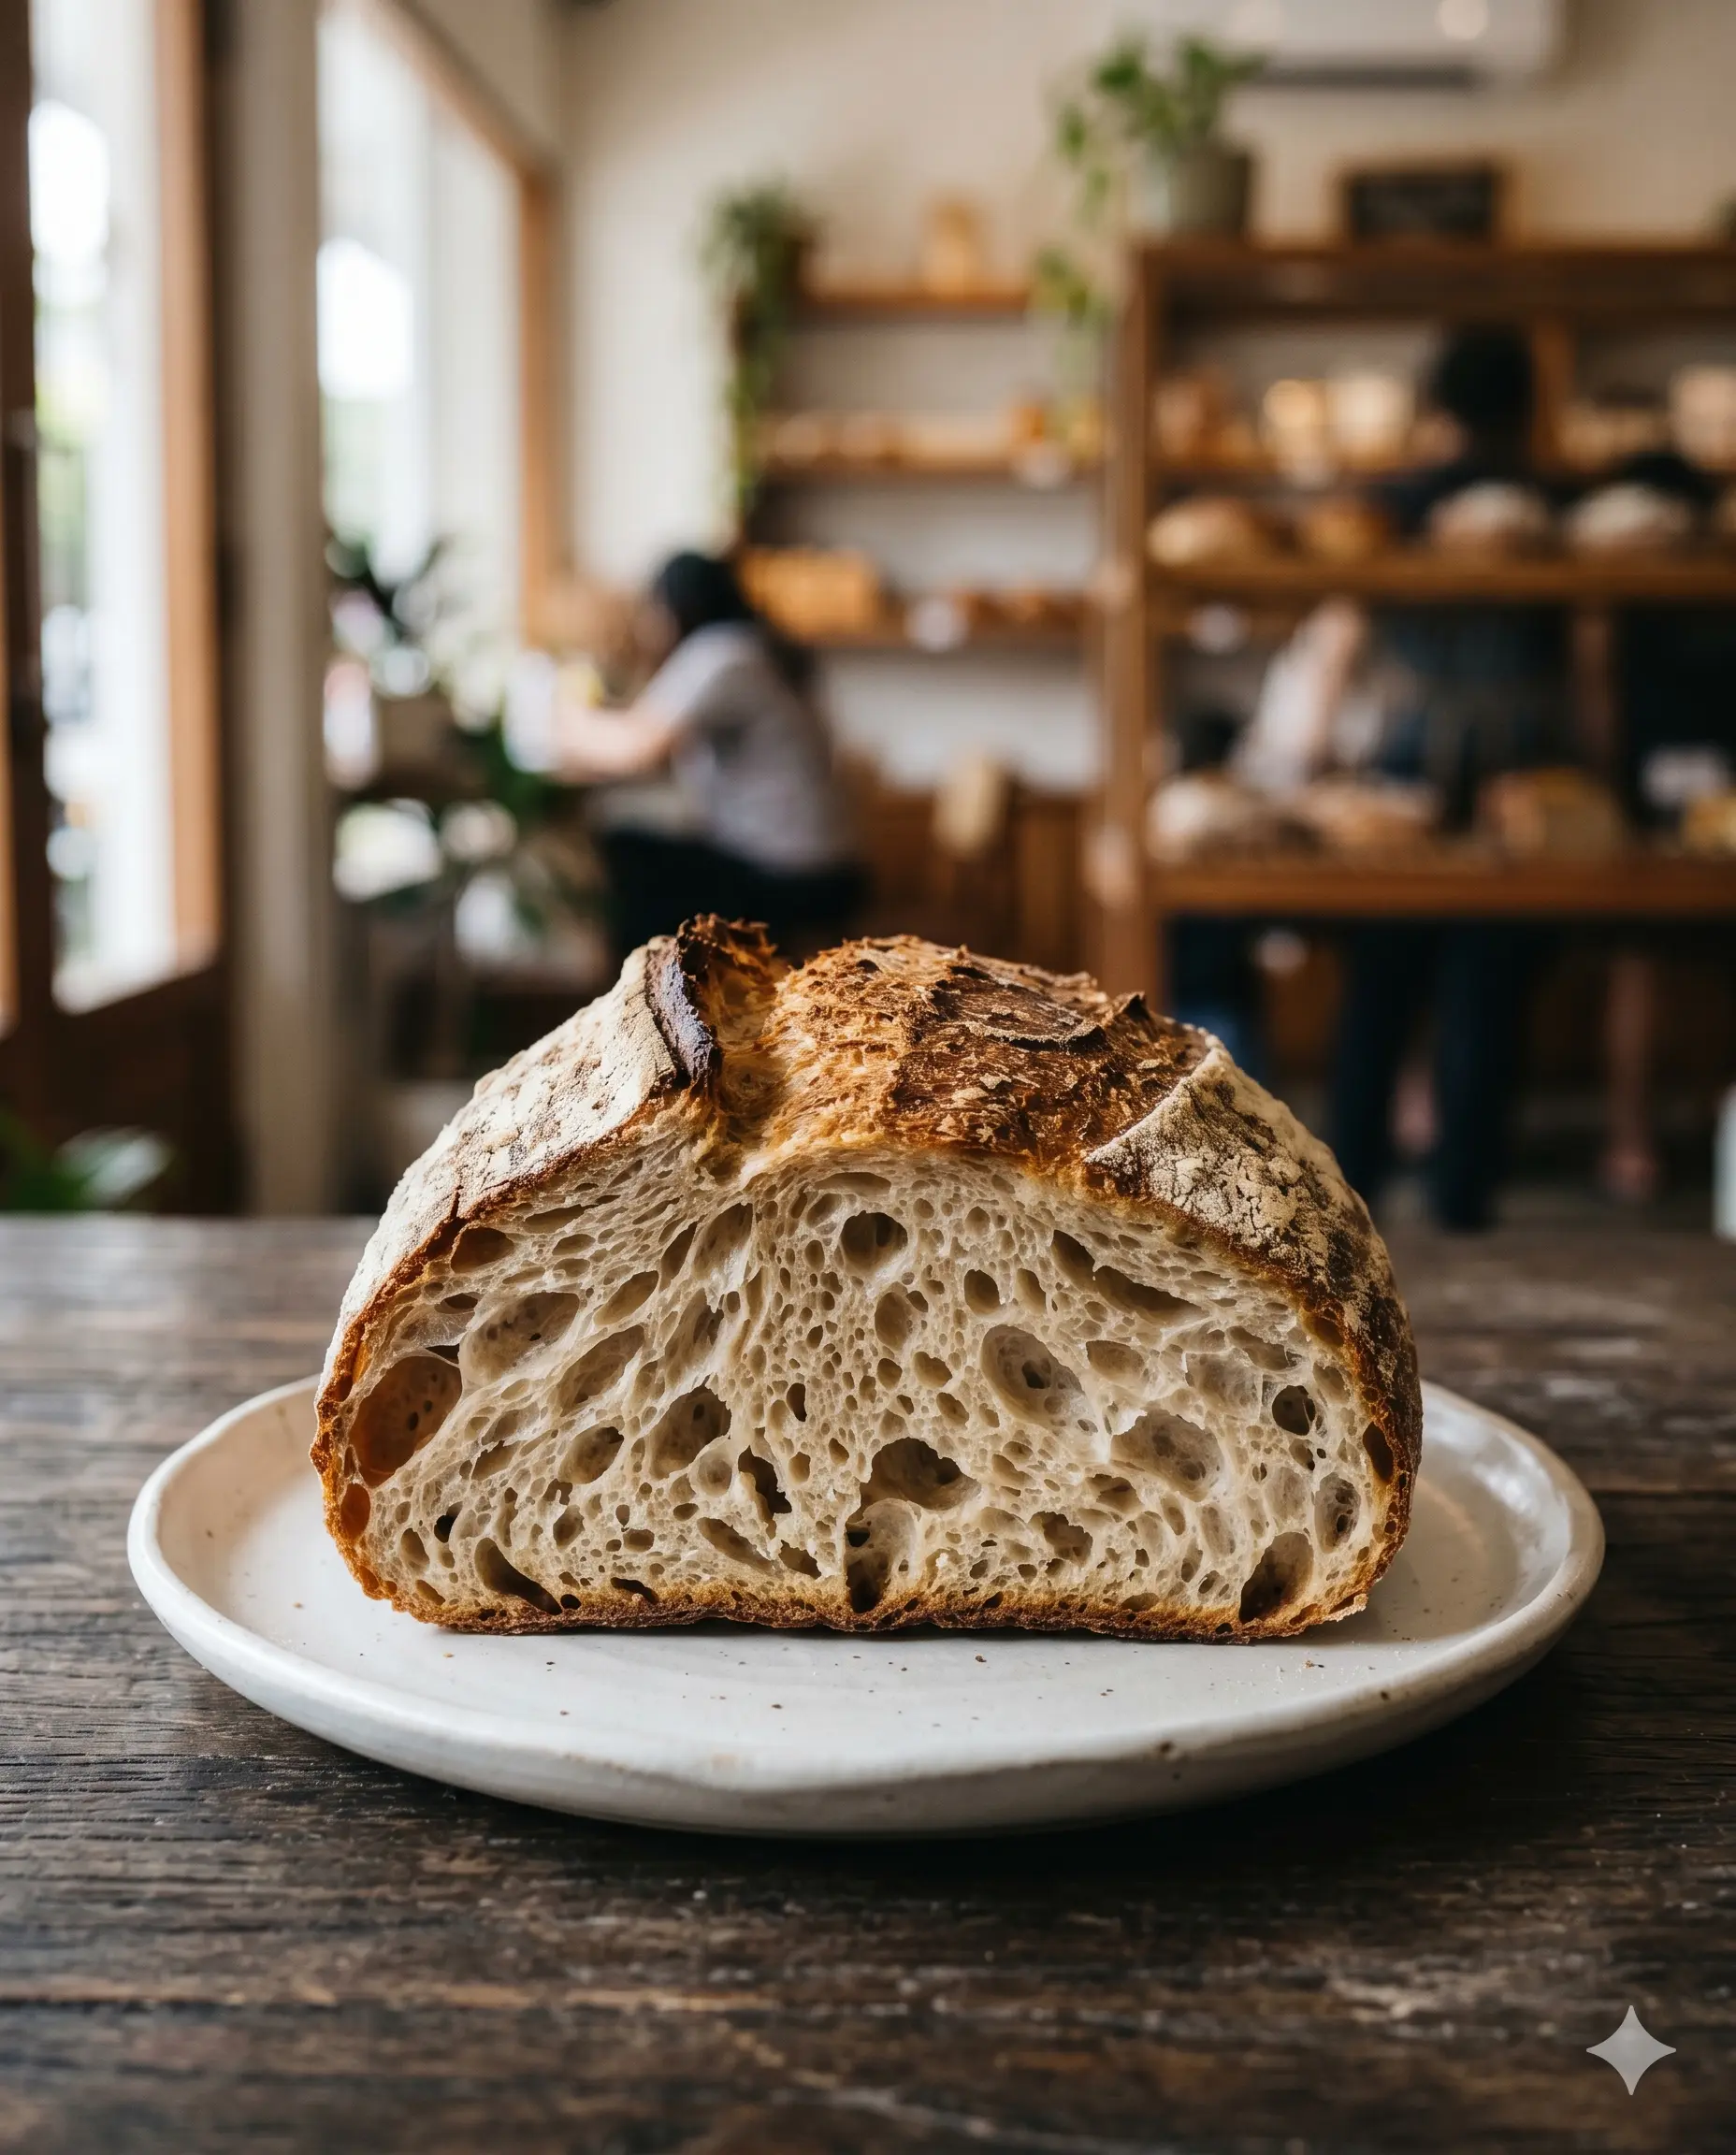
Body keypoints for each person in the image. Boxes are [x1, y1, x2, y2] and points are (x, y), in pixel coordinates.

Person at [1328, 325, 1571, 1231]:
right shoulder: (1553, 506)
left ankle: (1343, 1204)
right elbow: (1587, 658)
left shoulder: (1393, 504)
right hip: (1522, 769)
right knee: (1484, 1003)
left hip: (1406, 761)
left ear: (1435, 407)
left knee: (1377, 996)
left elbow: (1344, 637)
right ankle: (1462, 1204)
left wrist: (1313, 757)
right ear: (1525, 405)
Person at [556, 550, 863, 956]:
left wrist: (564, 709)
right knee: (653, 856)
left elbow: (636, 748)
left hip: (788, 874)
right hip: (828, 863)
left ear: (671, 609)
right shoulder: (760, 648)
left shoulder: (721, 654)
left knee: (627, 852)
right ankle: (671, 999)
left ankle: (647, 1004)